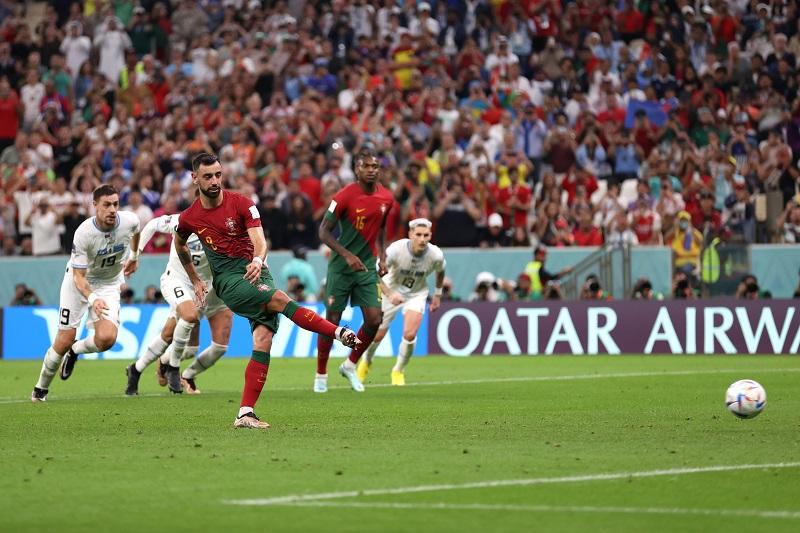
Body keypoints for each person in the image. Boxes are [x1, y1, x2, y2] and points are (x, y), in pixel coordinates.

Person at [175, 153, 358, 429]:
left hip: (257, 271)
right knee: (280, 299)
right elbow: (180, 244)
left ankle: (245, 413)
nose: (214, 181)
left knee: (264, 339)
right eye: (207, 176)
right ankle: (339, 332)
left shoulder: (242, 205)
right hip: (229, 281)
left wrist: (259, 260)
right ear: (194, 178)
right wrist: (196, 279)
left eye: (218, 175)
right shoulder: (190, 217)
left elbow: (260, 242)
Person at [31, 185, 140, 402]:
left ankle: (76, 350)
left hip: (108, 284)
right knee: (63, 339)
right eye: (107, 205)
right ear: (95, 206)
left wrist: (134, 255)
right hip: (78, 283)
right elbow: (79, 277)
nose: (112, 210)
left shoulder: (129, 220)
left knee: (107, 339)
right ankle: (40, 389)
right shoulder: (84, 233)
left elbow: (136, 231)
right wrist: (92, 298)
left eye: (115, 204)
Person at [125, 212, 234, 396]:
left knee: (172, 338)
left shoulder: (222, 227)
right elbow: (151, 225)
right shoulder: (179, 220)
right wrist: (135, 255)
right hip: (176, 281)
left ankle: (136, 369)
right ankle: (173, 368)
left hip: (203, 289)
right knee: (189, 316)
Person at [314, 147, 394, 394]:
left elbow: (380, 230)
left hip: (367, 267)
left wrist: (382, 256)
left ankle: (350, 365)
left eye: (375, 167)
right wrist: (347, 255)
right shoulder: (344, 196)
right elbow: (324, 232)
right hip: (341, 267)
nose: (371, 170)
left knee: (374, 319)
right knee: (332, 322)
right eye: (366, 166)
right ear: (357, 169)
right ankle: (321, 374)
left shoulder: (386, 199)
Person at [357, 218, 445, 386]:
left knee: (410, 334)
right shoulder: (396, 250)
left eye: (426, 235)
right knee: (376, 335)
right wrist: (389, 294)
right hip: (390, 290)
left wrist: (438, 295)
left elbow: (441, 272)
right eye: (418, 234)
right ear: (410, 234)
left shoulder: (436, 255)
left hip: (416, 294)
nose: (422, 239)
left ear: (430, 235)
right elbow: (373, 273)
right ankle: (366, 361)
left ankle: (398, 370)